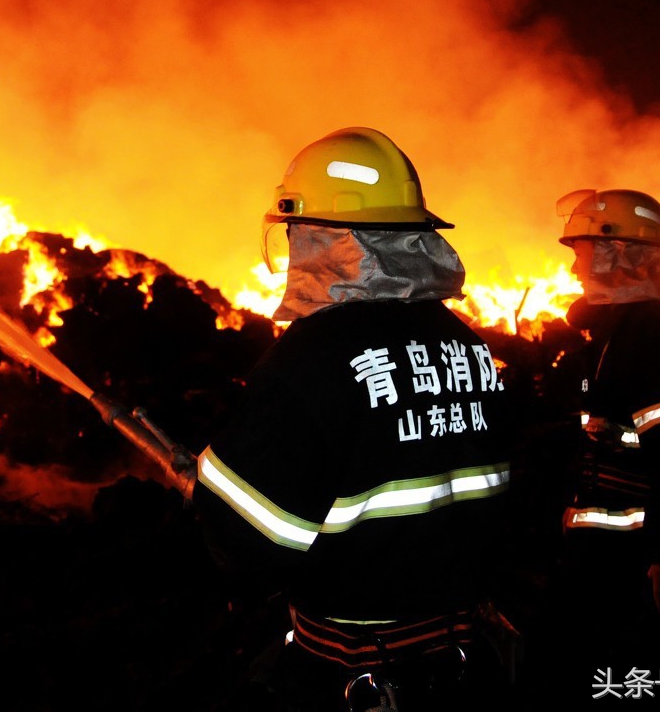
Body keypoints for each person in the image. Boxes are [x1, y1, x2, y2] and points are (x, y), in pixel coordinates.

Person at [192, 127, 518, 711]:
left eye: (296, 230)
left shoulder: (309, 357)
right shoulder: (466, 344)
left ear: (324, 238)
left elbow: (254, 546)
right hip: (464, 667)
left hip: (357, 678)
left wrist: (210, 485)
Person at [541, 189, 660, 698]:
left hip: (641, 561)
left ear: (620, 252)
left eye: (581, 249)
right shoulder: (621, 329)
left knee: (639, 676)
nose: (574, 265)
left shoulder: (659, 333)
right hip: (610, 552)